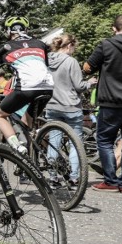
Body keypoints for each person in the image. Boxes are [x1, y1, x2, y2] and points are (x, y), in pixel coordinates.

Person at [83, 14, 122, 194]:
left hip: (110, 101)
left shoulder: (106, 45)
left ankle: (111, 181)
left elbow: (87, 67)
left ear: (114, 28)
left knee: (104, 140)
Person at [0, 16, 54, 155]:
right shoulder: (39, 43)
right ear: (26, 29)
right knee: (27, 121)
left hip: (26, 88)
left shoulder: (6, 47)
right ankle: (31, 159)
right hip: (48, 87)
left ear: (8, 31)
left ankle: (17, 147)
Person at [46, 34, 97, 188]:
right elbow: (79, 86)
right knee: (76, 143)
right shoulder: (71, 62)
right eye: (74, 47)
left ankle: (53, 178)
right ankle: (73, 178)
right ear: (69, 46)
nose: (74, 50)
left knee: (54, 140)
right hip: (71, 107)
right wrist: (89, 83)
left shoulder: (46, 60)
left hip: (52, 105)